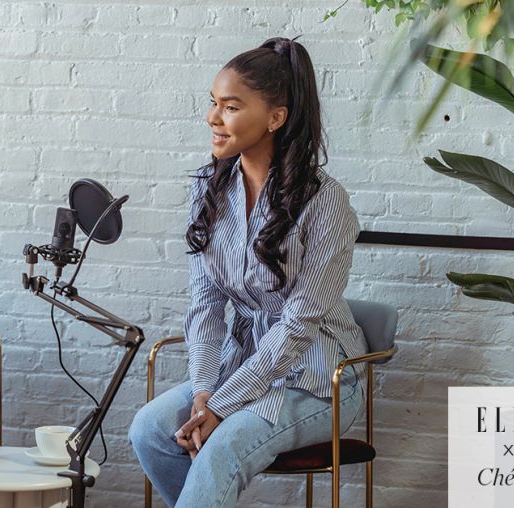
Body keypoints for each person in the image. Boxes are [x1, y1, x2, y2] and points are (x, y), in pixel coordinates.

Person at [129, 37, 368, 507]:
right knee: (151, 430)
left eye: (231, 107)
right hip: (238, 368)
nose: (213, 118)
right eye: (213, 104)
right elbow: (205, 305)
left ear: (275, 117)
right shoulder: (210, 189)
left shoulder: (326, 202)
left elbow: (298, 326)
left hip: (318, 380)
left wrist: (221, 405)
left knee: (220, 448)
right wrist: (203, 391)